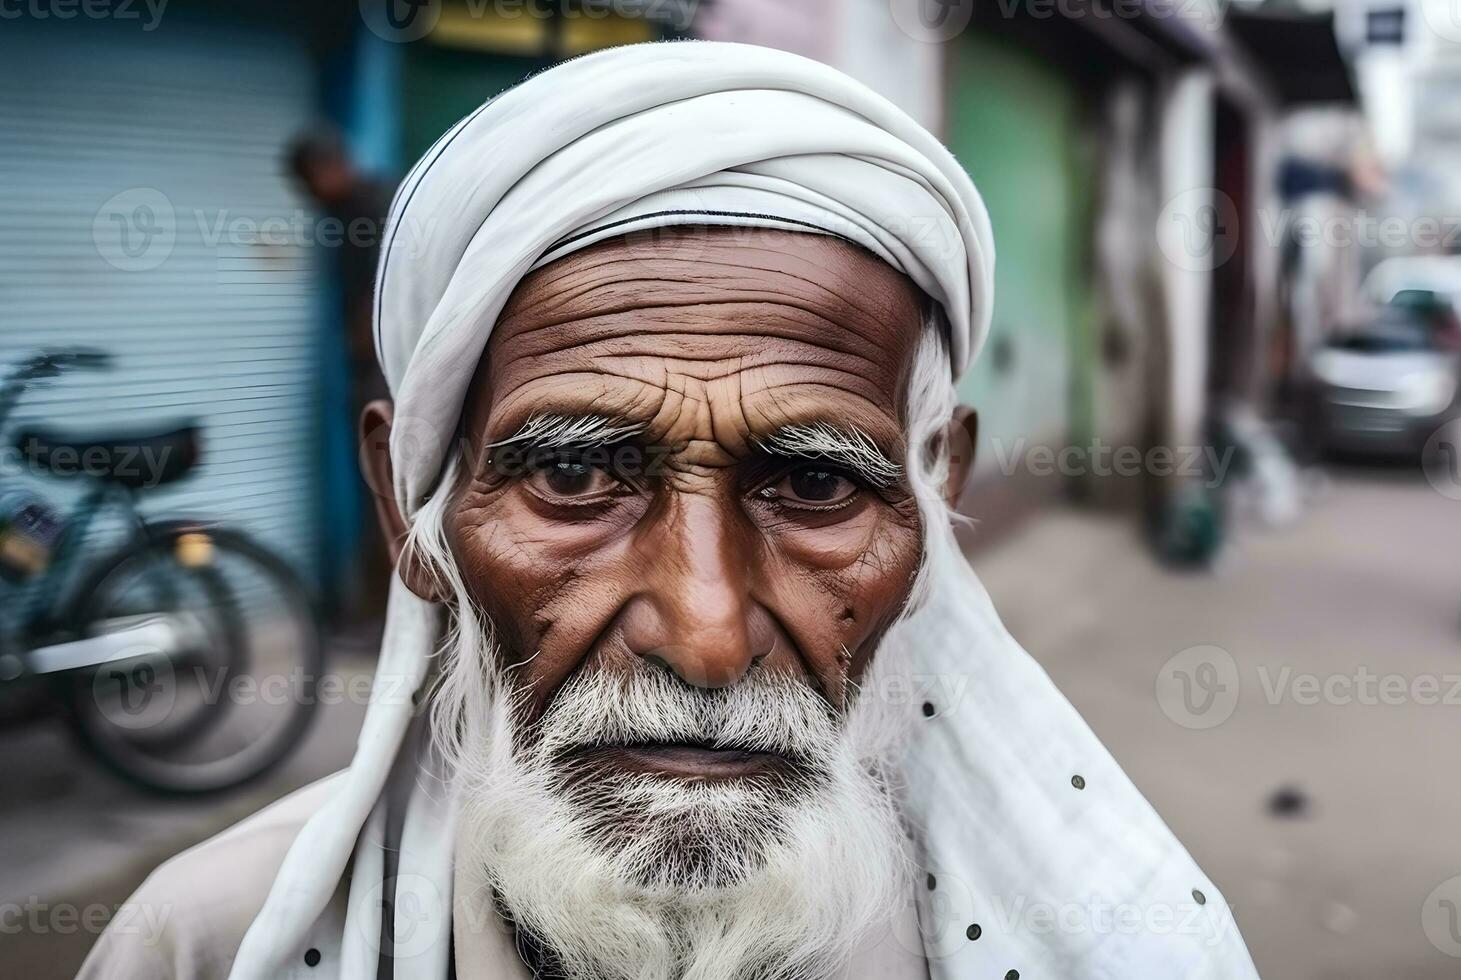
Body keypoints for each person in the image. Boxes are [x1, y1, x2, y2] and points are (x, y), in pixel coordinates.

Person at [82, 42, 1260, 980]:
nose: (705, 634)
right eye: (576, 478)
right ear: (410, 506)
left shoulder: (1104, 943)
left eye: (814, 483)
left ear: (937, 492)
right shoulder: (203, 949)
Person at [286, 128, 395, 624]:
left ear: (330, 168)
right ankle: (377, 614)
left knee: (387, 498)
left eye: (309, 184)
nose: (308, 197)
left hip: (389, 375)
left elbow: (385, 295)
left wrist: (369, 350)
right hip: (375, 373)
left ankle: (386, 618)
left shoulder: (372, 208)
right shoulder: (347, 211)